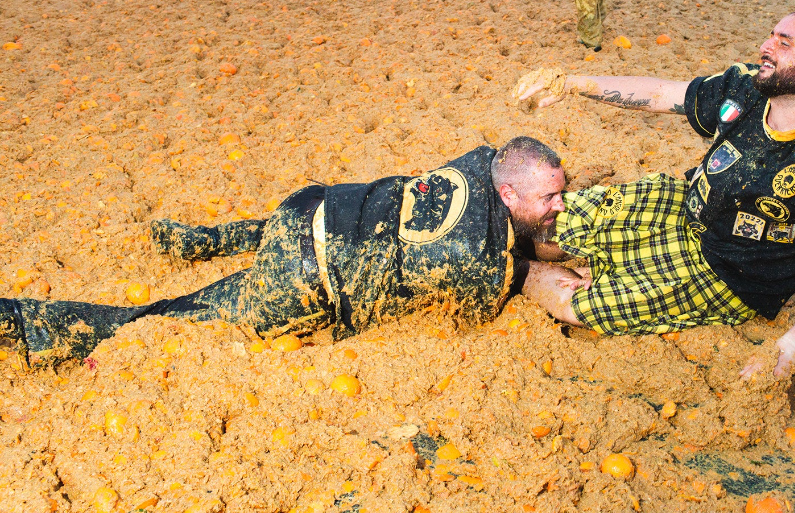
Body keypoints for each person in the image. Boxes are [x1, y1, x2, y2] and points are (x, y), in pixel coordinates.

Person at [515, 10, 795, 379]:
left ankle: (509, 270)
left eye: (784, 43)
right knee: (543, 226)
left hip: (728, 271)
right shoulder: (746, 86)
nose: (765, 47)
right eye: (771, 36)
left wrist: (789, 347)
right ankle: (542, 252)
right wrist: (572, 83)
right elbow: (662, 93)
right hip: (684, 205)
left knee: (573, 305)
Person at [1, 139, 566, 368]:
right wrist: (525, 266)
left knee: (348, 223)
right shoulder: (473, 260)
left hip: (310, 207)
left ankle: (200, 240)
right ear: (509, 192)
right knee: (170, 317)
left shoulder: (481, 159)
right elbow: (482, 304)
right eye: (550, 197)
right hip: (301, 277)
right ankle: (24, 326)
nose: (558, 206)